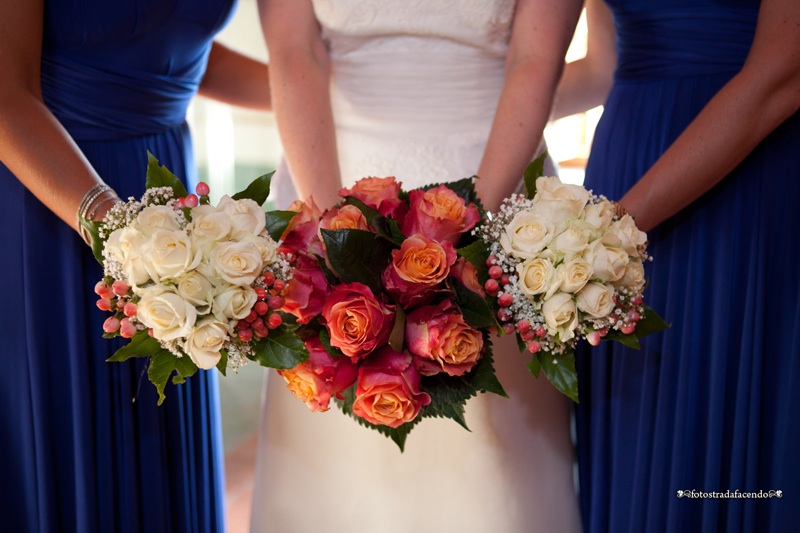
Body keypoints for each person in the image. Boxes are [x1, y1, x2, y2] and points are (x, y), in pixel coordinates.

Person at [250, 1, 583, 532]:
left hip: (498, 174)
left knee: (494, 464)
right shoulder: (333, 217)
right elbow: (294, 51)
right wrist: (335, 235)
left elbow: (535, 58)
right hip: (333, 172)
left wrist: (471, 242)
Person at [0, 1, 270, 531]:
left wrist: (338, 87)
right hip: (50, 195)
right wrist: (121, 232)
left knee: (159, 434)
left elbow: (166, 43)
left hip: (161, 187)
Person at [553, 0, 800, 531]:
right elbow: (601, 63)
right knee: (641, 426)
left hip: (749, 172)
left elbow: (784, 71)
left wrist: (609, 233)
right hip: (630, 154)